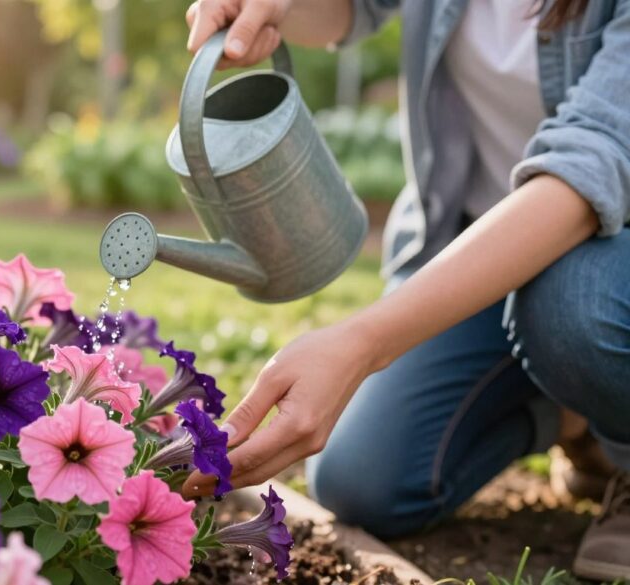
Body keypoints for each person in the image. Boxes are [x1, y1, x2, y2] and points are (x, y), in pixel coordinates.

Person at [179, 0, 630, 579]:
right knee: (363, 479)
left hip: (603, 265)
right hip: (475, 252)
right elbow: (349, 10)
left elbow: (590, 168)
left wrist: (363, 343)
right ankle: (576, 412)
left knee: (575, 304)